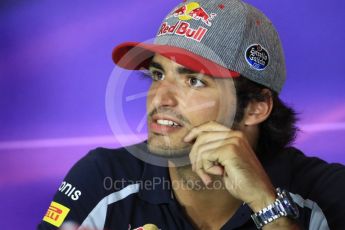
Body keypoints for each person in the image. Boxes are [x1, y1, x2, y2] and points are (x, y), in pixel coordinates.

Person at [38, 0, 345, 229]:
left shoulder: (327, 192)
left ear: (256, 107)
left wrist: (267, 205)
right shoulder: (103, 175)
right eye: (158, 74)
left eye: (194, 81)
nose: (160, 97)